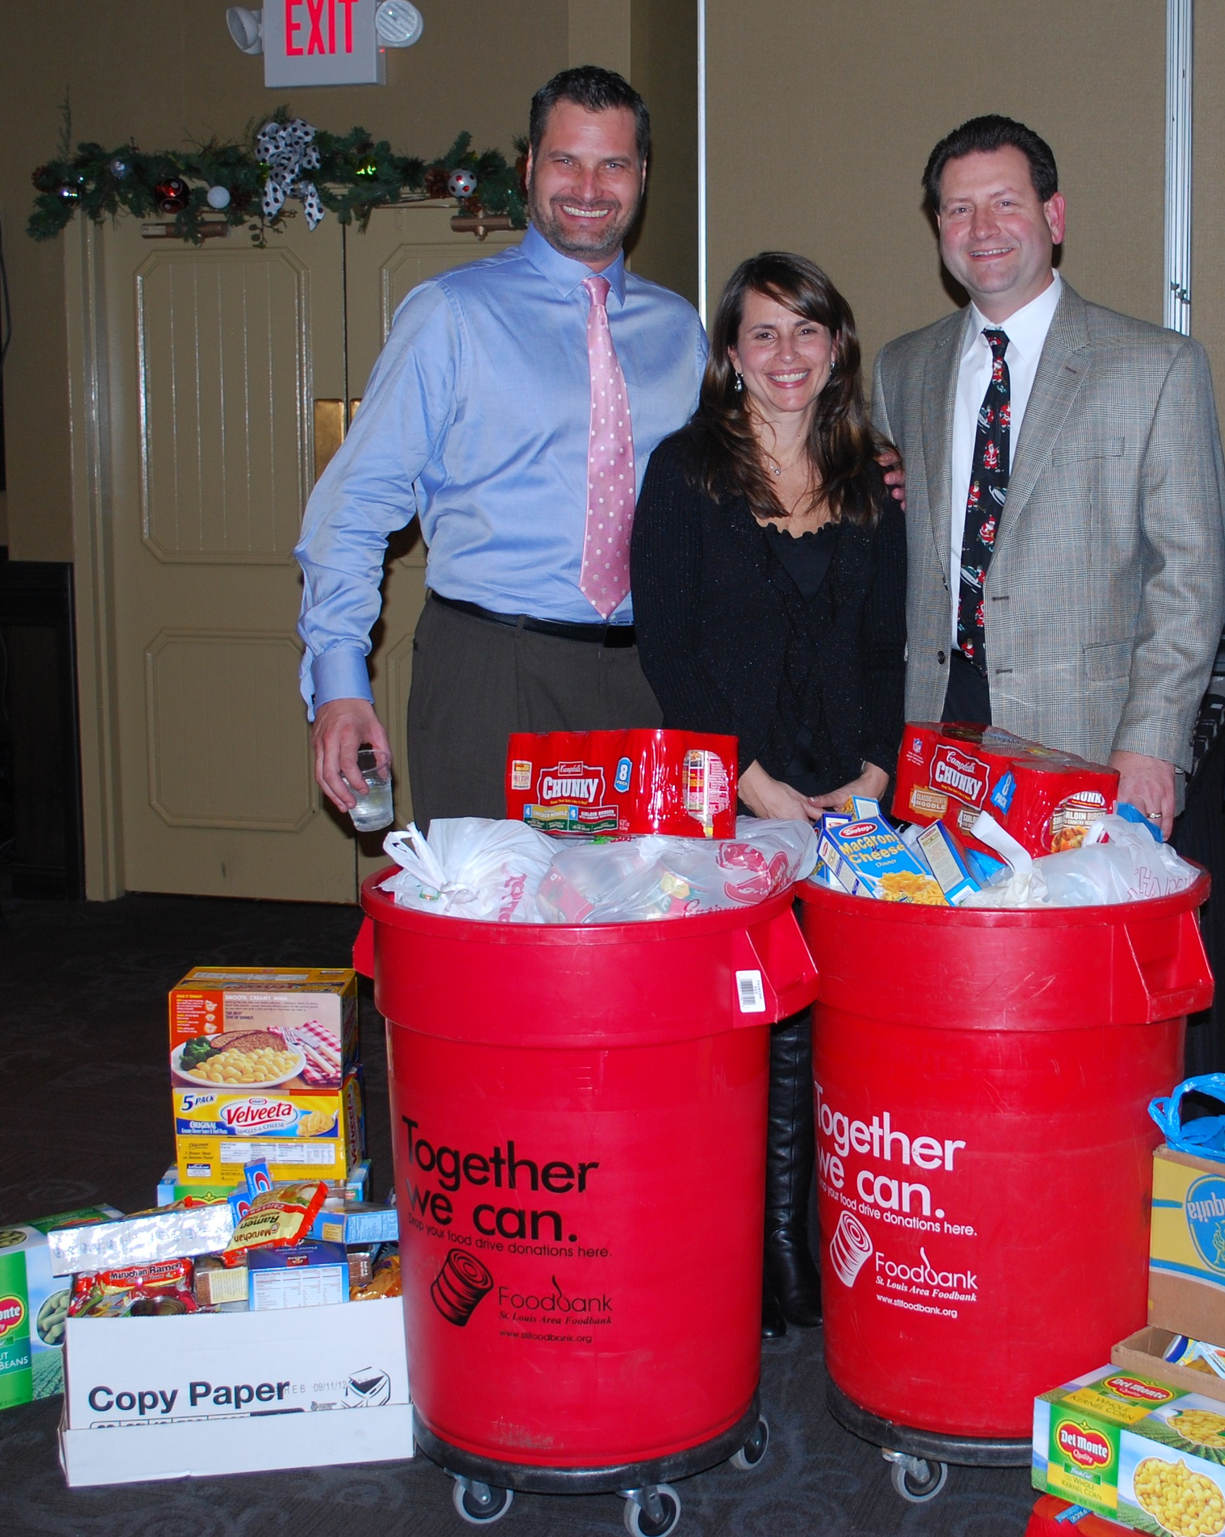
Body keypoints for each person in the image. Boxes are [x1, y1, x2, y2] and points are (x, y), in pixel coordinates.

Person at [295, 66, 708, 821]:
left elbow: (734, 479)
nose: (589, 185)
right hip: (491, 668)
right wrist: (340, 685)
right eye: (565, 160)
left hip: (650, 675)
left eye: (613, 163)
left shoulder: (680, 331)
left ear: (641, 175)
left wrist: (865, 470)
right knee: (490, 923)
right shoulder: (450, 315)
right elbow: (352, 507)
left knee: (639, 919)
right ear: (529, 167)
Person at [633, 252, 906, 1339]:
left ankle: (799, 1235)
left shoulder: (871, 480)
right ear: (730, 356)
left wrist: (874, 774)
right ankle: (751, 1242)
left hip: (848, 794)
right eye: (762, 334)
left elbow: (886, 646)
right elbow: (672, 650)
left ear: (836, 346)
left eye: (807, 332)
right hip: (733, 796)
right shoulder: (685, 473)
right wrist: (753, 783)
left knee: (826, 1014)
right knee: (743, 1018)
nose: (786, 355)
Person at [870, 115, 1225, 835]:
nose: (982, 228)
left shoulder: (1156, 367)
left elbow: (1188, 576)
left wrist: (1152, 744)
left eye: (1006, 202)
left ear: (1053, 215)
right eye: (958, 209)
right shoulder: (900, 368)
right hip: (936, 735)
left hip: (1089, 740)